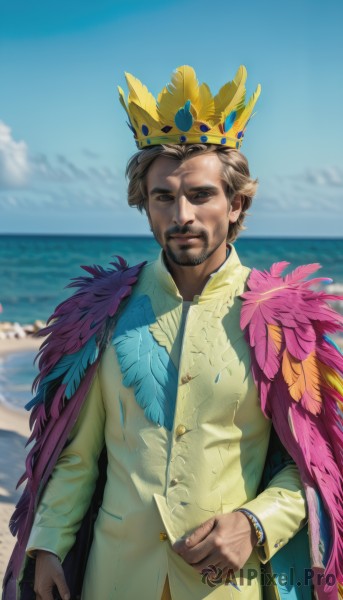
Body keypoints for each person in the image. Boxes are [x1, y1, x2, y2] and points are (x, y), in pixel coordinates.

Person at [3, 65, 342, 600]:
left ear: (236, 205)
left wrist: (256, 523)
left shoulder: (283, 322)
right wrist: (47, 544)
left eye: (202, 195)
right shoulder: (102, 314)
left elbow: (318, 468)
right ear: (145, 204)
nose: (182, 214)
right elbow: (78, 452)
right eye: (163, 197)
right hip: (112, 581)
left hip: (228, 586)